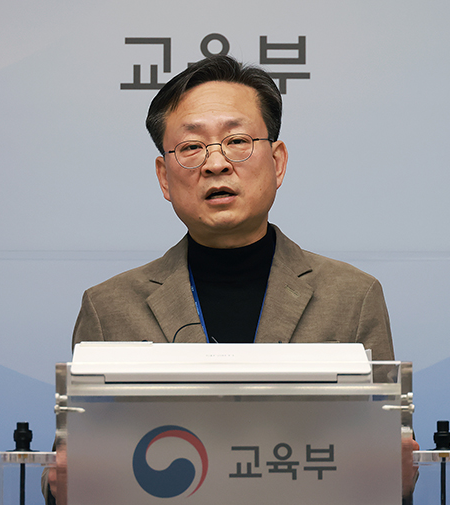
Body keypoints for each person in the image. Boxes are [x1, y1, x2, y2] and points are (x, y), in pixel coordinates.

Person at [45, 54, 418, 503]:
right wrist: (60, 482)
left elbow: (386, 468)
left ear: (277, 162)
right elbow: (69, 474)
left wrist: (395, 474)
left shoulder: (352, 297)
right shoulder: (109, 307)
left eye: (237, 140)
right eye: (191, 147)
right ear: (164, 177)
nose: (216, 164)